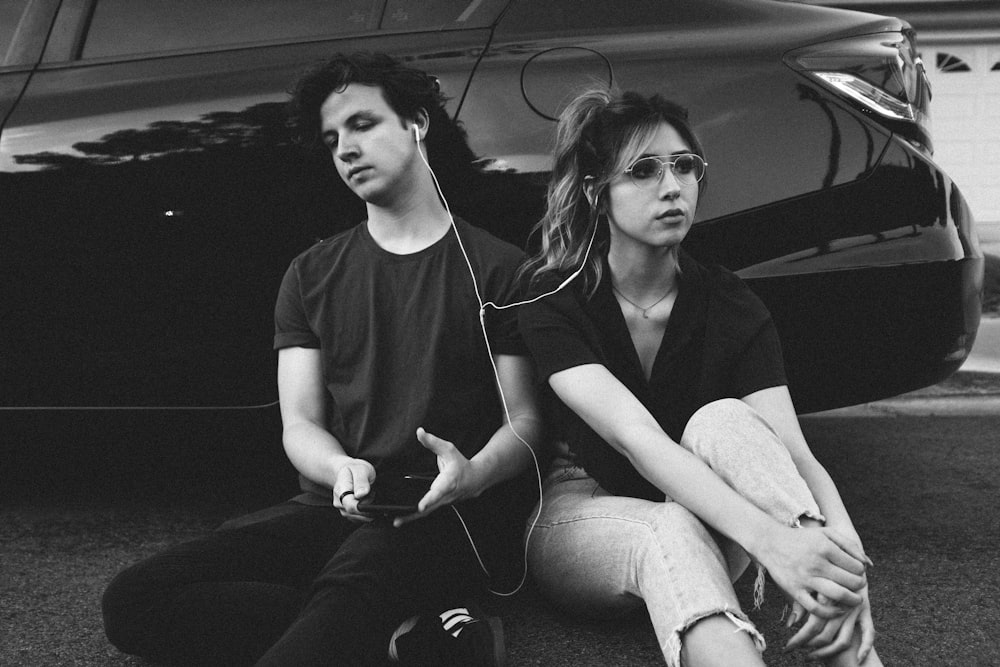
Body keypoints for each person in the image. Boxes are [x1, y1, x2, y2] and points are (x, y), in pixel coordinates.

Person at [101, 52, 542, 667]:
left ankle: (362, 622)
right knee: (134, 600)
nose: (345, 149)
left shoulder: (500, 268)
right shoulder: (311, 274)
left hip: (446, 512)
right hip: (340, 505)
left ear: (417, 123)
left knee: (340, 599)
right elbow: (301, 422)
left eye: (363, 125)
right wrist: (338, 469)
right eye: (333, 138)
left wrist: (472, 474)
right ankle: (410, 638)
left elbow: (526, 421)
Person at [516, 87, 883, 667]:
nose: (672, 187)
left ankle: (851, 654)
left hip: (711, 515)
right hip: (583, 511)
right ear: (596, 191)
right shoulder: (555, 298)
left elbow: (792, 455)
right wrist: (774, 546)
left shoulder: (727, 300)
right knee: (665, 528)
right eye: (643, 170)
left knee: (726, 419)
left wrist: (844, 564)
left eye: (685, 167)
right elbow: (634, 439)